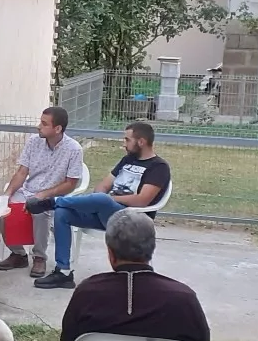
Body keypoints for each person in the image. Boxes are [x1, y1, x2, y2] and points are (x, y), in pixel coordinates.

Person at [60, 210, 210, 341]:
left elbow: (70, 340)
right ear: (152, 248)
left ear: (110, 253)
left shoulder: (88, 292)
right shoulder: (183, 298)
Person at [29, 121, 171, 290]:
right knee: (63, 213)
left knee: (101, 200)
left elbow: (142, 200)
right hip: (108, 214)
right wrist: (103, 198)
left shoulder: (159, 167)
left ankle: (53, 202)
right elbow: (102, 187)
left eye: (127, 140)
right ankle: (64, 272)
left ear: (141, 142)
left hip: (133, 220)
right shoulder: (127, 160)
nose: (123, 144)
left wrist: (109, 200)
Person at [0, 106, 84, 279]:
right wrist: (7, 194)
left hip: (54, 197)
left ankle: (39, 257)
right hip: (28, 190)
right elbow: (22, 172)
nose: (39, 126)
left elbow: (71, 184)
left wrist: (45, 194)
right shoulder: (33, 142)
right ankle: (19, 254)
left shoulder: (74, 149)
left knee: (40, 211)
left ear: (57, 129)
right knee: (1, 209)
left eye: (44, 124)